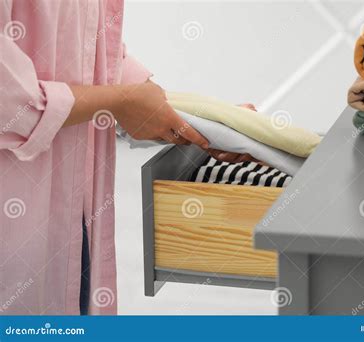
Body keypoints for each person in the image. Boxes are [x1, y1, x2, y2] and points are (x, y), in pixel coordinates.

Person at [0, 0, 253, 315]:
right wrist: (121, 102)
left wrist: (203, 123)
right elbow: (9, 102)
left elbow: (93, 50)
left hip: (74, 221)